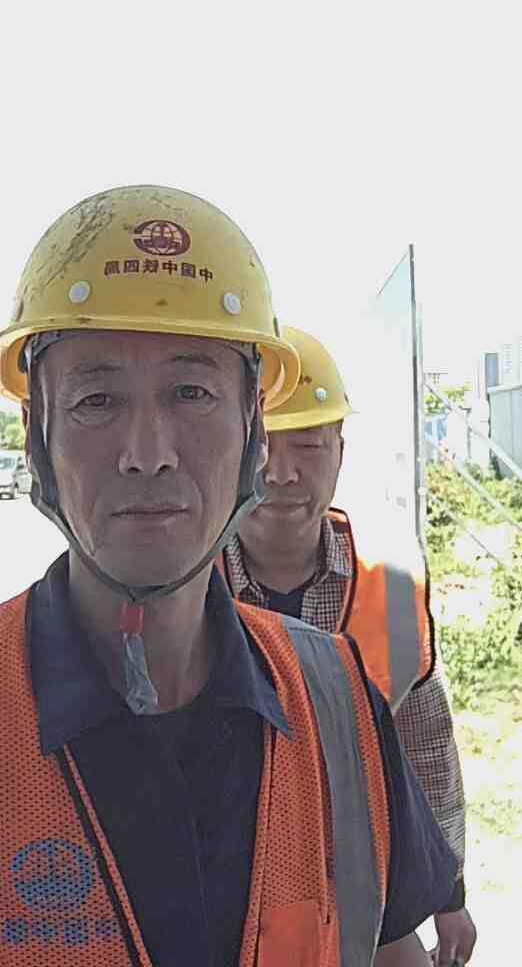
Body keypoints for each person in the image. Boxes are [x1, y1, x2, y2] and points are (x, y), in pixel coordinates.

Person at [0, 186, 458, 966]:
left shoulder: (335, 699)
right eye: (96, 399)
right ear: (35, 432)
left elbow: (387, 947)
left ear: (253, 427)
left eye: (192, 393)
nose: (148, 454)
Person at [220, 326, 478, 967]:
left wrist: (447, 889)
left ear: (340, 451)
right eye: (262, 446)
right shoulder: (182, 583)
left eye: (309, 445)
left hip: (363, 882)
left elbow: (426, 748)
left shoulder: (391, 581)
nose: (282, 473)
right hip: (227, 891)